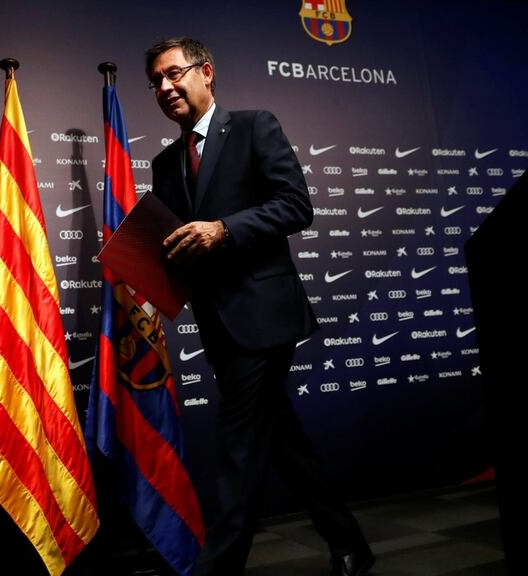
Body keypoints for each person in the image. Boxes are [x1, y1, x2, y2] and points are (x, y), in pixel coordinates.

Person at [144, 37, 375, 576]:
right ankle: (350, 545)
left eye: (174, 74)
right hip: (216, 325)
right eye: (156, 81)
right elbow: (179, 245)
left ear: (207, 73)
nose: (165, 87)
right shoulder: (164, 163)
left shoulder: (253, 126)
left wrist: (224, 230)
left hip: (265, 318)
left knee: (239, 448)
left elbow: (296, 206)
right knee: (281, 439)